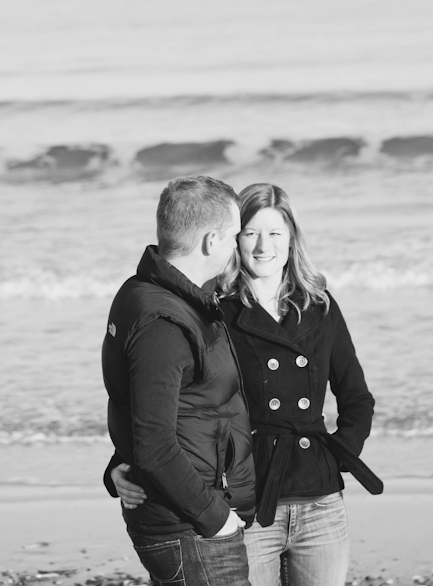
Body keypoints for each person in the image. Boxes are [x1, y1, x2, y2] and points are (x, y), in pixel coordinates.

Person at [113, 182, 383, 586]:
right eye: (250, 233)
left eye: (275, 233)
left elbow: (357, 396)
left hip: (320, 500)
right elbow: (174, 403)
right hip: (250, 502)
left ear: (292, 239)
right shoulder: (214, 308)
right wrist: (120, 464)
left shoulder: (320, 305)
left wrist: (338, 456)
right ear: (232, 239)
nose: (262, 246)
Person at [101, 175, 255, 586]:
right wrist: (216, 519)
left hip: (183, 520)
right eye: (235, 235)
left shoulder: (151, 293)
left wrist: (117, 465)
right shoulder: (164, 320)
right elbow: (154, 443)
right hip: (187, 527)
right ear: (210, 241)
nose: (238, 246)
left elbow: (138, 404)